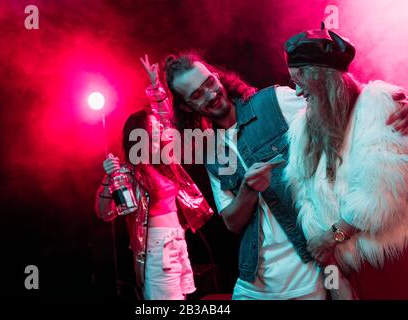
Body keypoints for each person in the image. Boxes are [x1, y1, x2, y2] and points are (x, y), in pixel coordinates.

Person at [161, 51, 408, 299]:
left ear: (216, 75)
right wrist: (248, 190)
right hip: (253, 281)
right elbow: (232, 223)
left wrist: (392, 103)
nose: (210, 94)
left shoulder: (275, 102)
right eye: (196, 94)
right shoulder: (213, 151)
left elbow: (340, 98)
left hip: (308, 271)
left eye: (209, 82)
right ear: (185, 105)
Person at [283, 26, 408, 299]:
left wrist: (331, 238)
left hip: (390, 265)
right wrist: (334, 278)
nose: (296, 92)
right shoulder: (301, 129)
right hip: (343, 270)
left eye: (298, 80)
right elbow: (308, 208)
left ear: (321, 78)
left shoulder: (377, 104)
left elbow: (380, 196)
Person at [95, 55, 213, 300]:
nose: (160, 129)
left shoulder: (165, 161)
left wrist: (155, 83)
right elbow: (105, 213)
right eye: (153, 128)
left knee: (185, 296)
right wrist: (108, 178)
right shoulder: (129, 171)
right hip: (156, 246)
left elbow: (164, 116)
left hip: (177, 238)